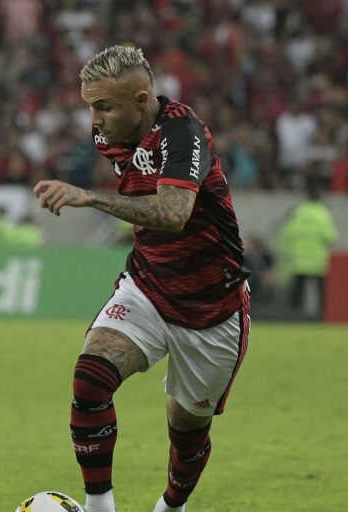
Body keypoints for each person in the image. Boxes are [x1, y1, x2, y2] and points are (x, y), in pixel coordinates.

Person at [32, 46, 251, 512]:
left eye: (104, 106)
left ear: (141, 99)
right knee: (91, 376)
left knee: (187, 429)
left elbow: (173, 214)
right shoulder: (110, 133)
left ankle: (172, 507)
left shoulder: (183, 132)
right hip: (148, 285)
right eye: (90, 106)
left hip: (212, 306)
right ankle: (99, 506)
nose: (95, 119)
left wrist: (90, 199)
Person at [279, 178, 338, 319]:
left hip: (299, 260)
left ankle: (293, 318)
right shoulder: (324, 214)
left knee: (297, 292)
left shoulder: (298, 212)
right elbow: (330, 237)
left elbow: (288, 234)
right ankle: (322, 317)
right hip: (318, 261)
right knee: (321, 292)